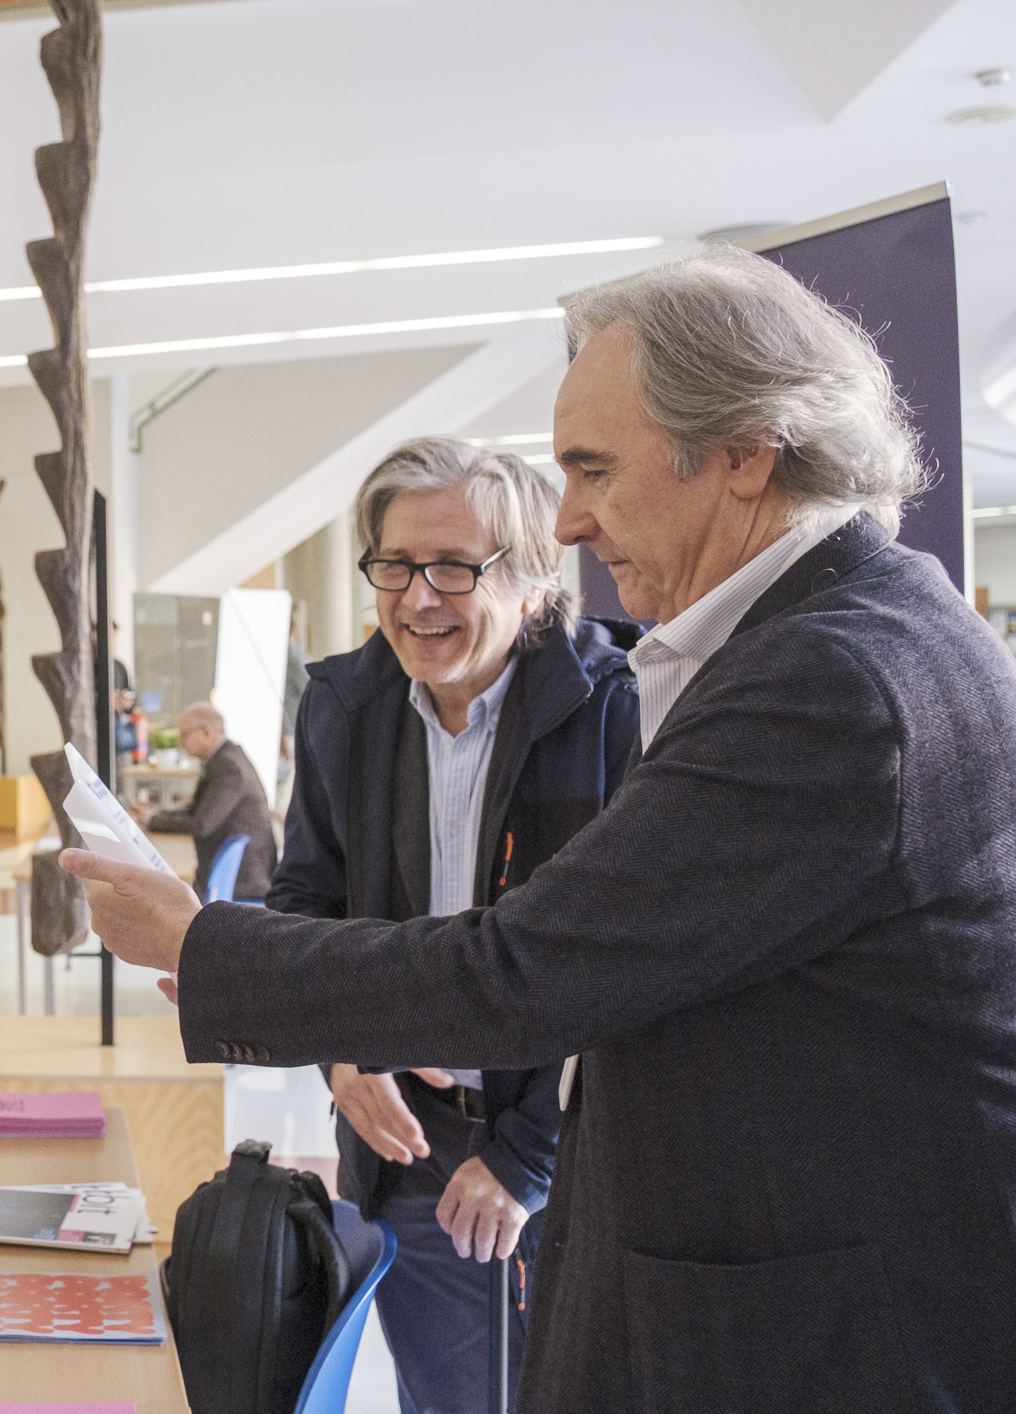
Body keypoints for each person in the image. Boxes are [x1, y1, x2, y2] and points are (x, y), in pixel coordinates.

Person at [63, 244, 1016, 1413]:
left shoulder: (828, 681)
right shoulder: (852, 634)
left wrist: (199, 943)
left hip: (808, 1333)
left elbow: (529, 965)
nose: (568, 522)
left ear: (744, 451)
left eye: (594, 471)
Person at [269, 437, 638, 1413]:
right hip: (409, 1157)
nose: (417, 597)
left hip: (573, 1154)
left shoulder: (617, 709)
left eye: (452, 567)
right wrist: (346, 1052)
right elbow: (305, 906)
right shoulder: (345, 704)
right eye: (394, 564)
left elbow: (639, 964)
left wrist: (528, 1158)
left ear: (530, 581)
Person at [132, 703, 275, 900]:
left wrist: (151, 819)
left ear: (206, 732)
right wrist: (155, 815)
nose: (181, 743)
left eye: (184, 735)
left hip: (240, 878)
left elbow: (201, 824)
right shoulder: (224, 757)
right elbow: (196, 811)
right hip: (230, 868)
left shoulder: (228, 766)